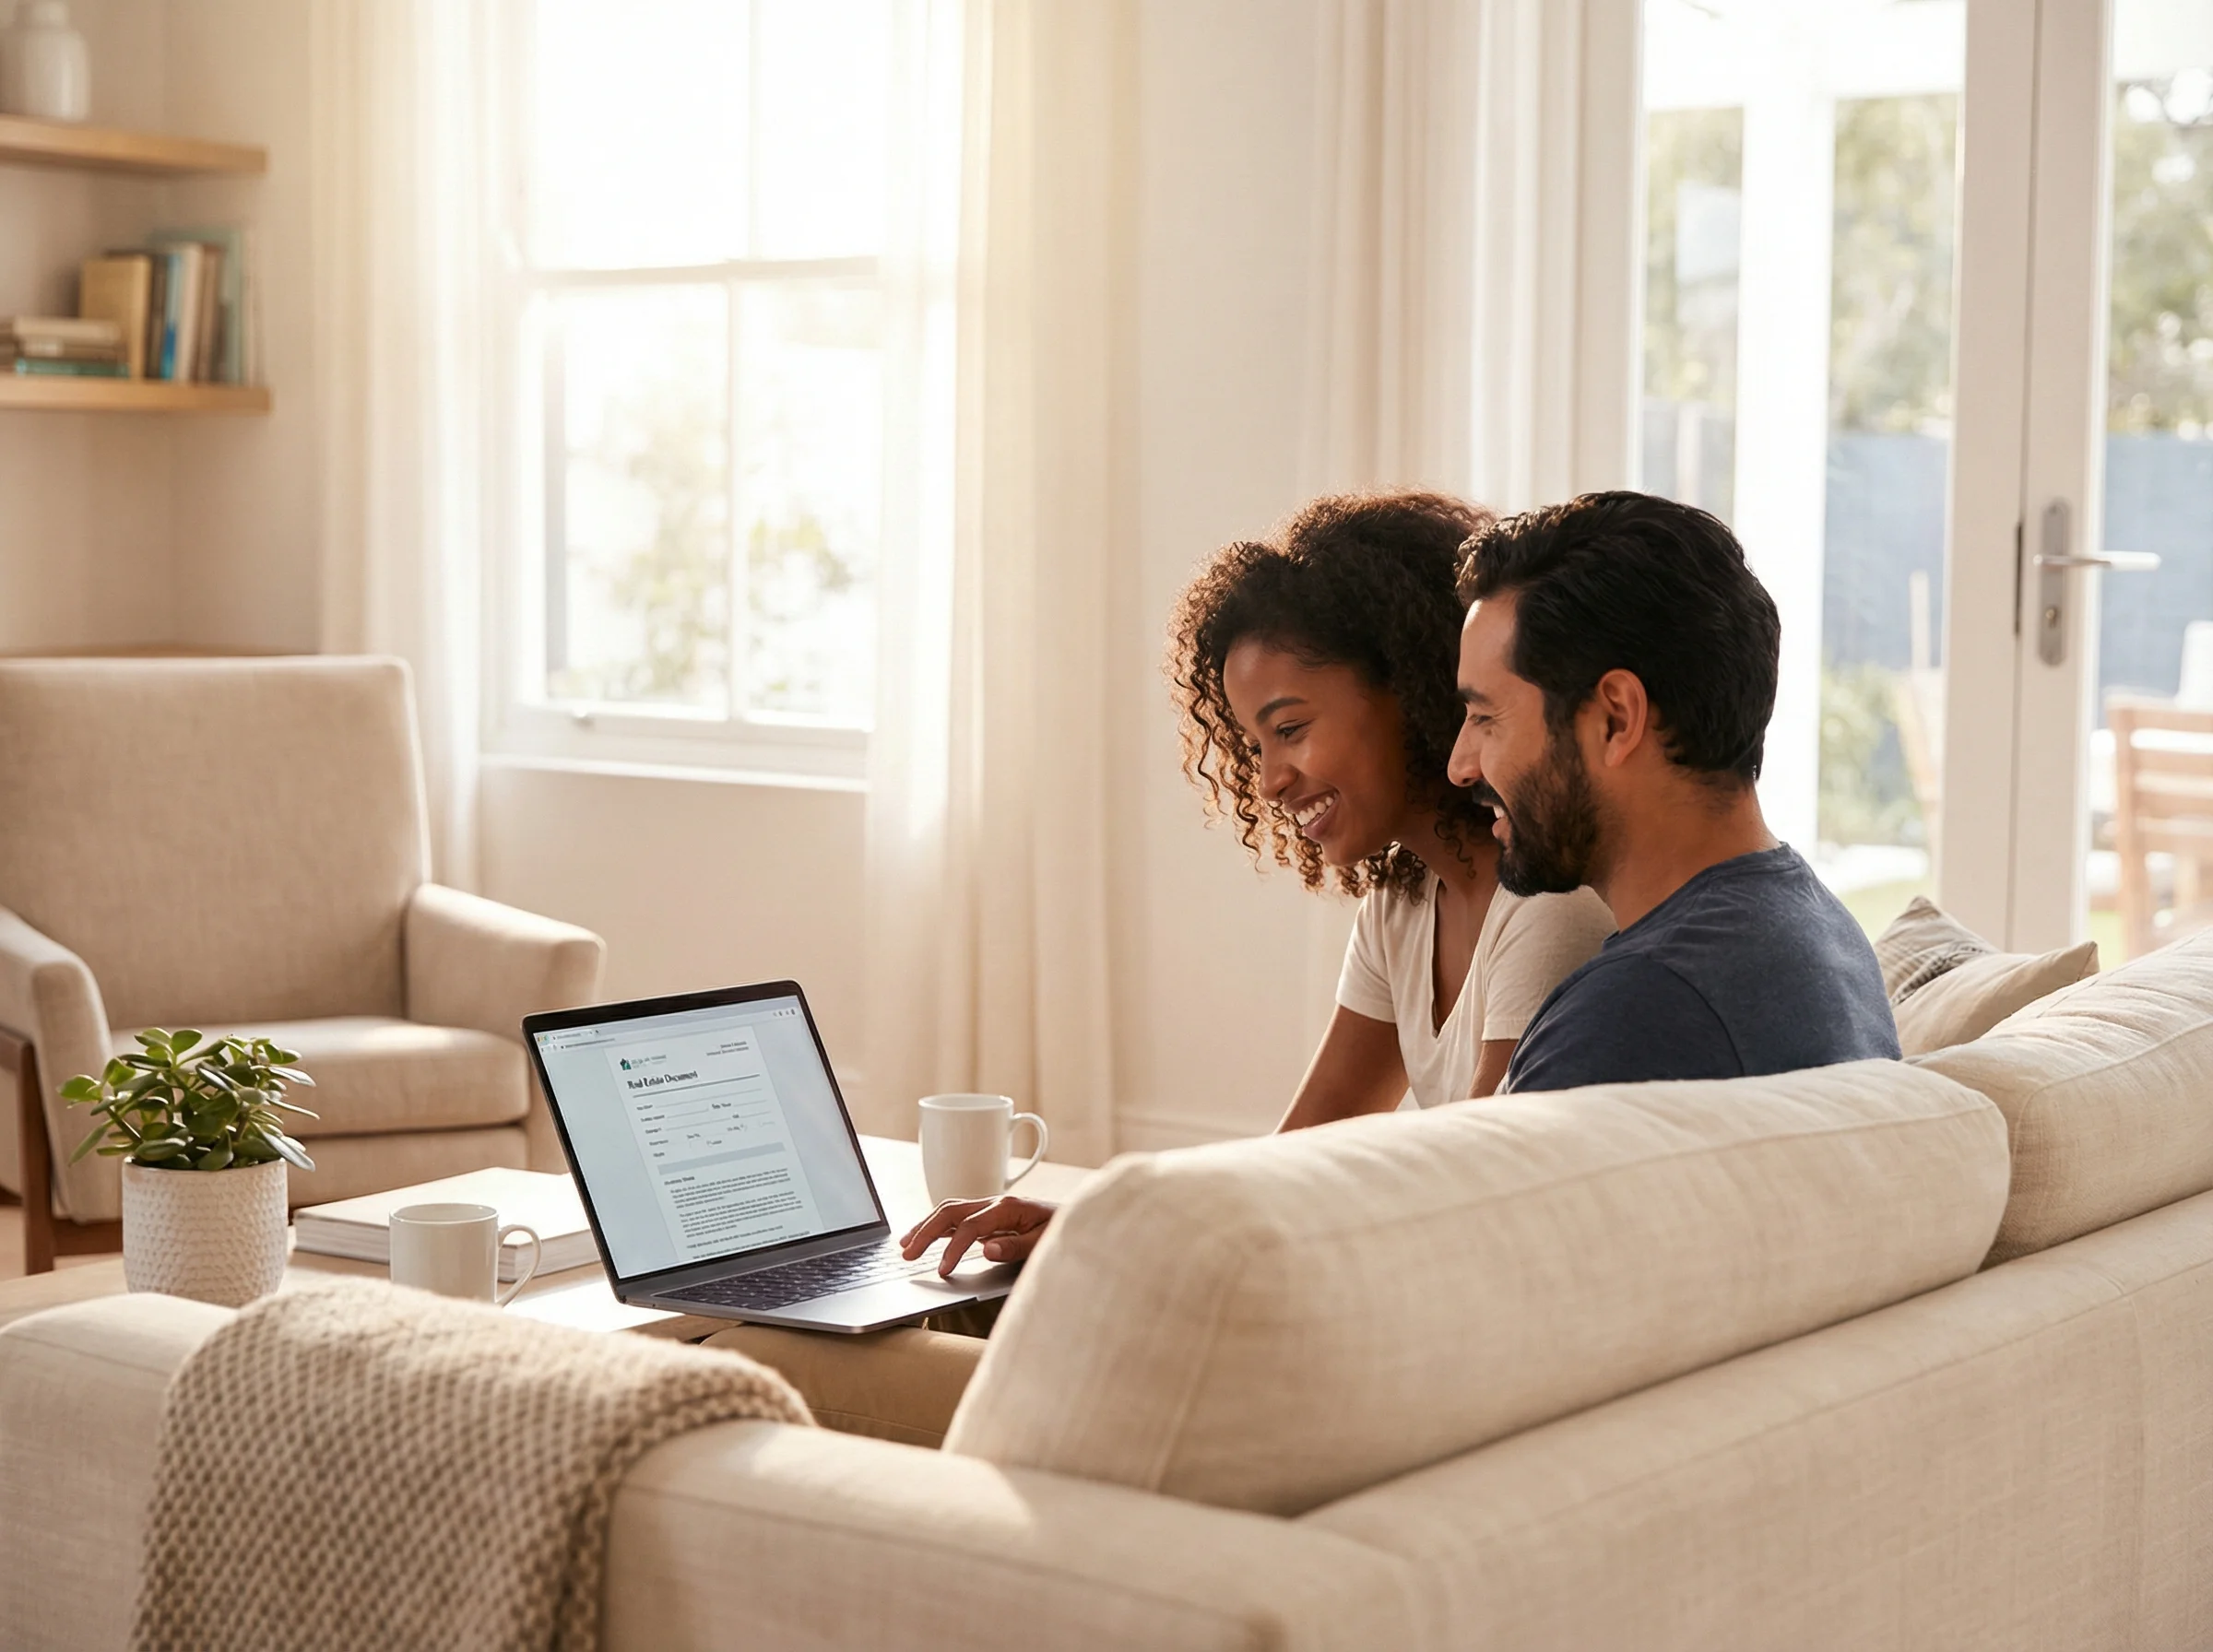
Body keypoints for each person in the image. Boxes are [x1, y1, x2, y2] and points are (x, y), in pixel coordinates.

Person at [901, 490, 1613, 1276]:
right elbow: (1295, 1158)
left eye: (1291, 729)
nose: (1270, 780)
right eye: (1254, 743)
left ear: (1410, 689)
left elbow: (1464, 1199)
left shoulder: (1549, 905)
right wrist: (1095, 1221)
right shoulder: (1402, 905)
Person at [1446, 490, 1901, 1093]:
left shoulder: (1637, 1014)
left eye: (1485, 718)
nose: (1461, 766)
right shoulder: (1821, 931)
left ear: (1615, 719)